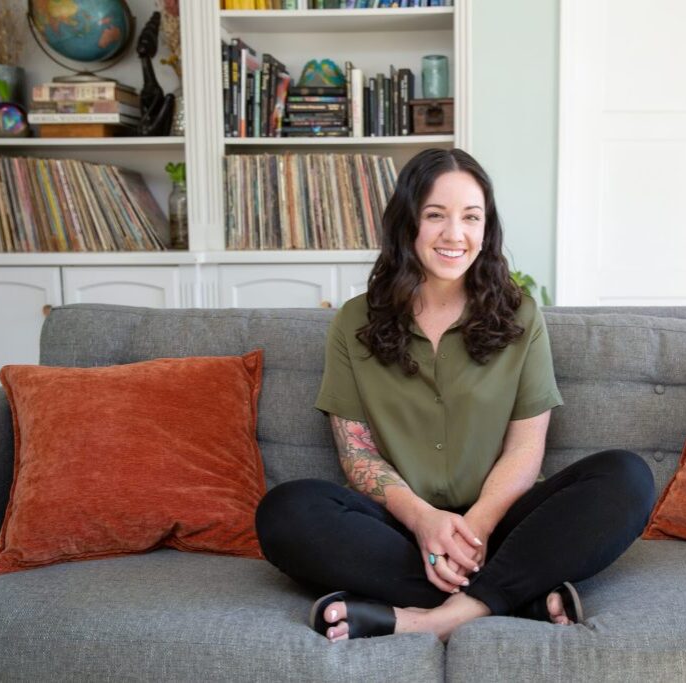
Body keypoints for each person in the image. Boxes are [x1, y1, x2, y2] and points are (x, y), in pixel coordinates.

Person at [255, 148, 656, 642]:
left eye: (471, 217)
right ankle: (516, 599)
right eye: (435, 215)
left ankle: (434, 618)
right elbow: (356, 453)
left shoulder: (521, 316)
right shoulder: (355, 321)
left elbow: (526, 448)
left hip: (505, 526)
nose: (454, 234)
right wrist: (425, 522)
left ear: (486, 229)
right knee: (286, 512)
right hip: (401, 530)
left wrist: (478, 528)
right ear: (407, 224)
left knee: (627, 477)